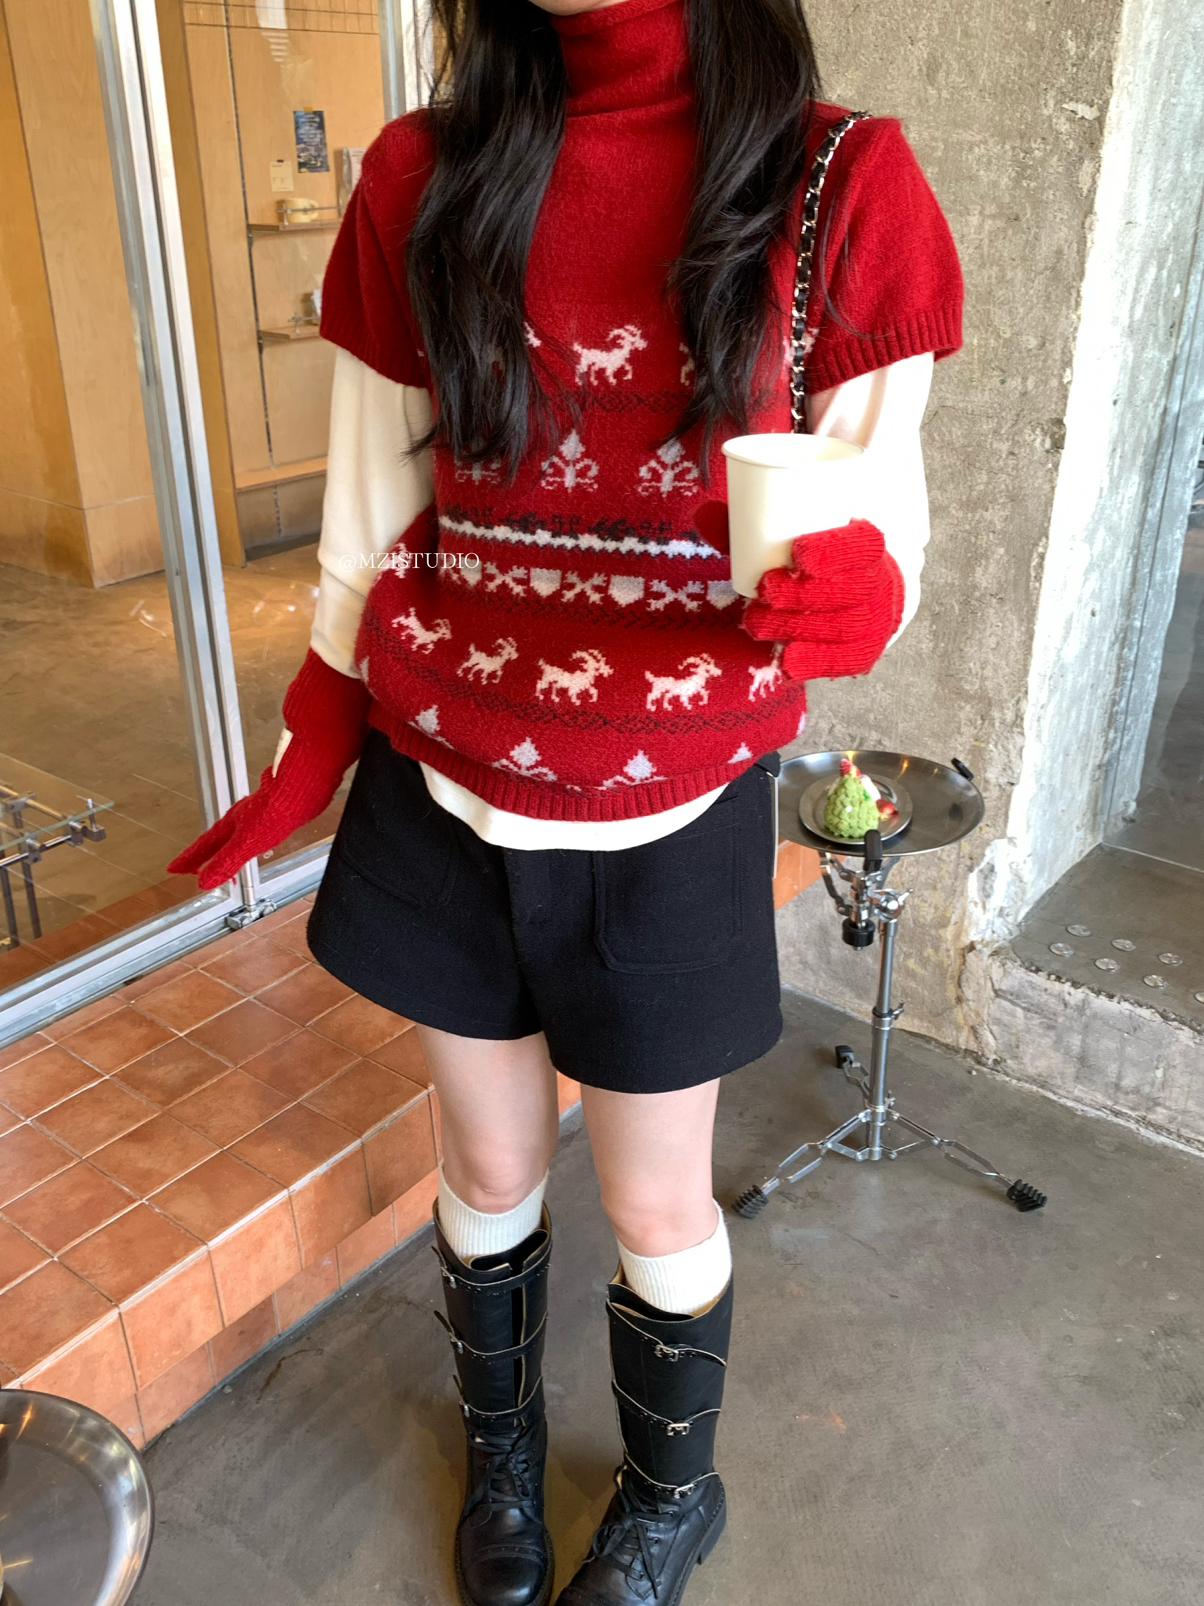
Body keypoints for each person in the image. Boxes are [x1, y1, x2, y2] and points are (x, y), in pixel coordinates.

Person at [169, 1, 964, 1600]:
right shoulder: (422, 176)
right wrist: (319, 729)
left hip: (672, 800)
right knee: (486, 1170)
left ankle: (672, 1494)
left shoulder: (838, 184)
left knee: (657, 1195)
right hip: (446, 777)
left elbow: (873, 503)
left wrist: (863, 590)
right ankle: (506, 1456)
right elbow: (374, 501)